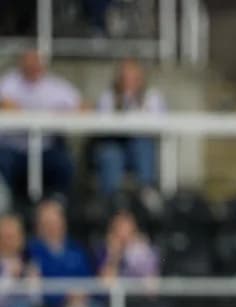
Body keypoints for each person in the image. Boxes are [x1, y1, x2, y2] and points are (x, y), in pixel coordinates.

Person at [0, 49, 81, 196]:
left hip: (46, 147)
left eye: (36, 62)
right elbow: (5, 104)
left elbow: (79, 105)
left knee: (64, 163)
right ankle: (8, 210)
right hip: (13, 148)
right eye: (29, 62)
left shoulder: (55, 86)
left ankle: (56, 204)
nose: (33, 66)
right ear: (22, 63)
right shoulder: (9, 82)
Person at [94, 59, 166, 195]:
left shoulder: (152, 97)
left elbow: (158, 122)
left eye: (133, 78)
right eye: (125, 77)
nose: (129, 82)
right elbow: (102, 125)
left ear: (141, 79)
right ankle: (110, 199)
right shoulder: (108, 97)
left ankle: (147, 193)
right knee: (110, 154)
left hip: (140, 144)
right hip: (115, 143)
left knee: (143, 146)